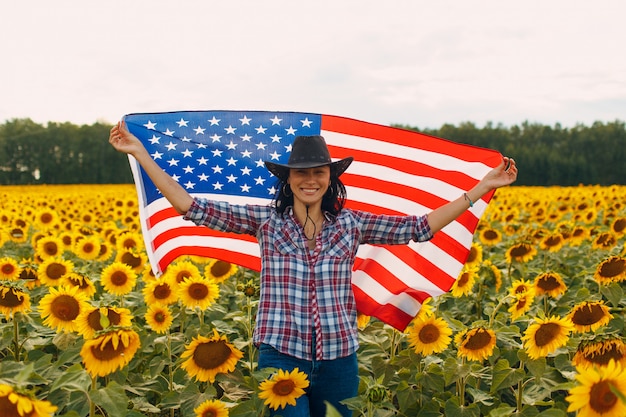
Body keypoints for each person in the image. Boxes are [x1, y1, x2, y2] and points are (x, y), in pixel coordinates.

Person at [109, 121, 518, 417]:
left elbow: (418, 227)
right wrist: (140, 153)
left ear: (330, 177)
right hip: (281, 353)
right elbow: (189, 206)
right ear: (288, 180)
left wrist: (481, 188)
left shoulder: (351, 223)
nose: (310, 180)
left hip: (340, 357)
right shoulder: (265, 222)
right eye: (301, 173)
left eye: (317, 172)